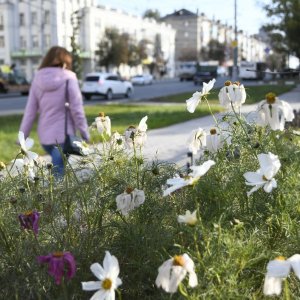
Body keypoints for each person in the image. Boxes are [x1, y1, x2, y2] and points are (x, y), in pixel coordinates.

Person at [19, 46, 90, 177]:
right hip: (63, 137)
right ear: (65, 63)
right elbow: (77, 109)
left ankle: (56, 194)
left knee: (58, 168)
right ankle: (56, 196)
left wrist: (22, 137)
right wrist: (85, 134)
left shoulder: (37, 79)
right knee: (59, 173)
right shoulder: (69, 78)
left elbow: (30, 111)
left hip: (45, 136)